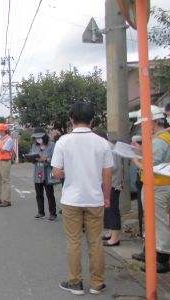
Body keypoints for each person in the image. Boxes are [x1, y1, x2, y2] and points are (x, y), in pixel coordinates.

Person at [51, 102, 113, 296]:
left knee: (74, 241)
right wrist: (107, 197)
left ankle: (75, 282)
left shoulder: (63, 141)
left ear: (71, 119)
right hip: (95, 199)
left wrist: (69, 170)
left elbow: (57, 172)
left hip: (71, 200)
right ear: (92, 119)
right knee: (95, 242)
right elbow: (108, 174)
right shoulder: (102, 143)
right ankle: (97, 284)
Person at [131, 105, 170, 273]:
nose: (142, 127)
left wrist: (134, 159)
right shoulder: (164, 137)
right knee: (152, 221)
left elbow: (150, 166)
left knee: (159, 222)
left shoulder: (159, 141)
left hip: (158, 187)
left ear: (153, 123)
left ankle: (162, 259)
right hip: (159, 185)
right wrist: (142, 150)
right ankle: (150, 252)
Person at [93, 130, 124, 247]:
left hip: (112, 183)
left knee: (112, 211)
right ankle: (111, 233)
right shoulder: (109, 147)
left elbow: (112, 168)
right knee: (110, 210)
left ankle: (115, 238)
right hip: (112, 182)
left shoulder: (108, 148)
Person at [28, 127, 57, 221]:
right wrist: (31, 159)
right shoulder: (34, 145)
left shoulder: (52, 145)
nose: (38, 139)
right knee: (39, 193)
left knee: (50, 193)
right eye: (36, 138)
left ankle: (52, 213)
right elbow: (32, 156)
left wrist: (46, 159)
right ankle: (41, 212)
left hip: (48, 172)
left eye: (39, 137)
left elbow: (56, 159)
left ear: (44, 136)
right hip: (38, 172)